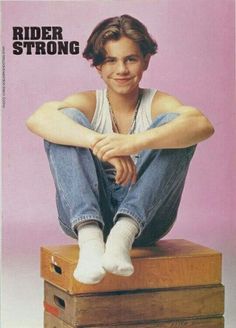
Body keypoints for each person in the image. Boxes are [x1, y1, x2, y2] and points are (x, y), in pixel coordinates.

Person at [26, 15, 214, 285]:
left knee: (178, 126)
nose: (121, 69)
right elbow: (38, 118)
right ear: (98, 67)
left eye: (131, 59)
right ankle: (91, 243)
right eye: (111, 60)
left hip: (146, 224)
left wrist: (134, 142)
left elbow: (201, 125)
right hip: (83, 216)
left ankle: (121, 235)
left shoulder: (157, 102)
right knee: (64, 120)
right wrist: (100, 144)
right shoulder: (89, 102)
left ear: (146, 61)